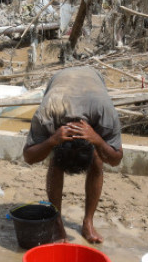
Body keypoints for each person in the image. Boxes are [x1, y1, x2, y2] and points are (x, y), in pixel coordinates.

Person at [22, 66, 122, 244]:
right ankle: (57, 222)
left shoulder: (105, 114)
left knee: (98, 161)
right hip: (60, 83)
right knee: (55, 164)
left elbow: (115, 159)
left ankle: (88, 222)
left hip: (92, 80)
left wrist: (98, 140)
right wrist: (52, 140)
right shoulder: (47, 113)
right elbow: (29, 157)